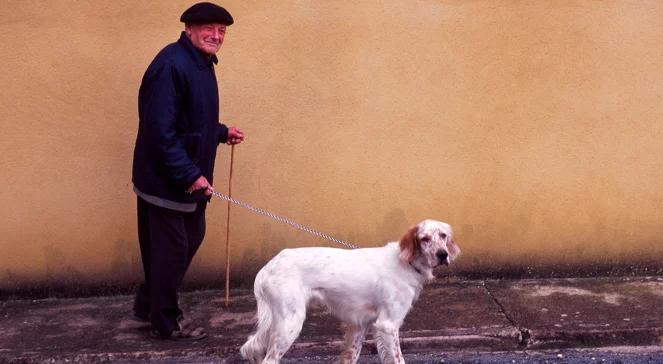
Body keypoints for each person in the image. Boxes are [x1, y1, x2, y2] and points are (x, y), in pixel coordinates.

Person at [131, 2, 244, 340]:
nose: (216, 35)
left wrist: (220, 132)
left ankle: (147, 304)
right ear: (188, 29)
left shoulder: (200, 63)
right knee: (172, 251)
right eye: (209, 28)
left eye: (221, 31)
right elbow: (159, 131)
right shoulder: (171, 65)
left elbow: (190, 118)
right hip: (166, 182)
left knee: (185, 241)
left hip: (184, 178)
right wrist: (189, 176)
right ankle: (165, 322)